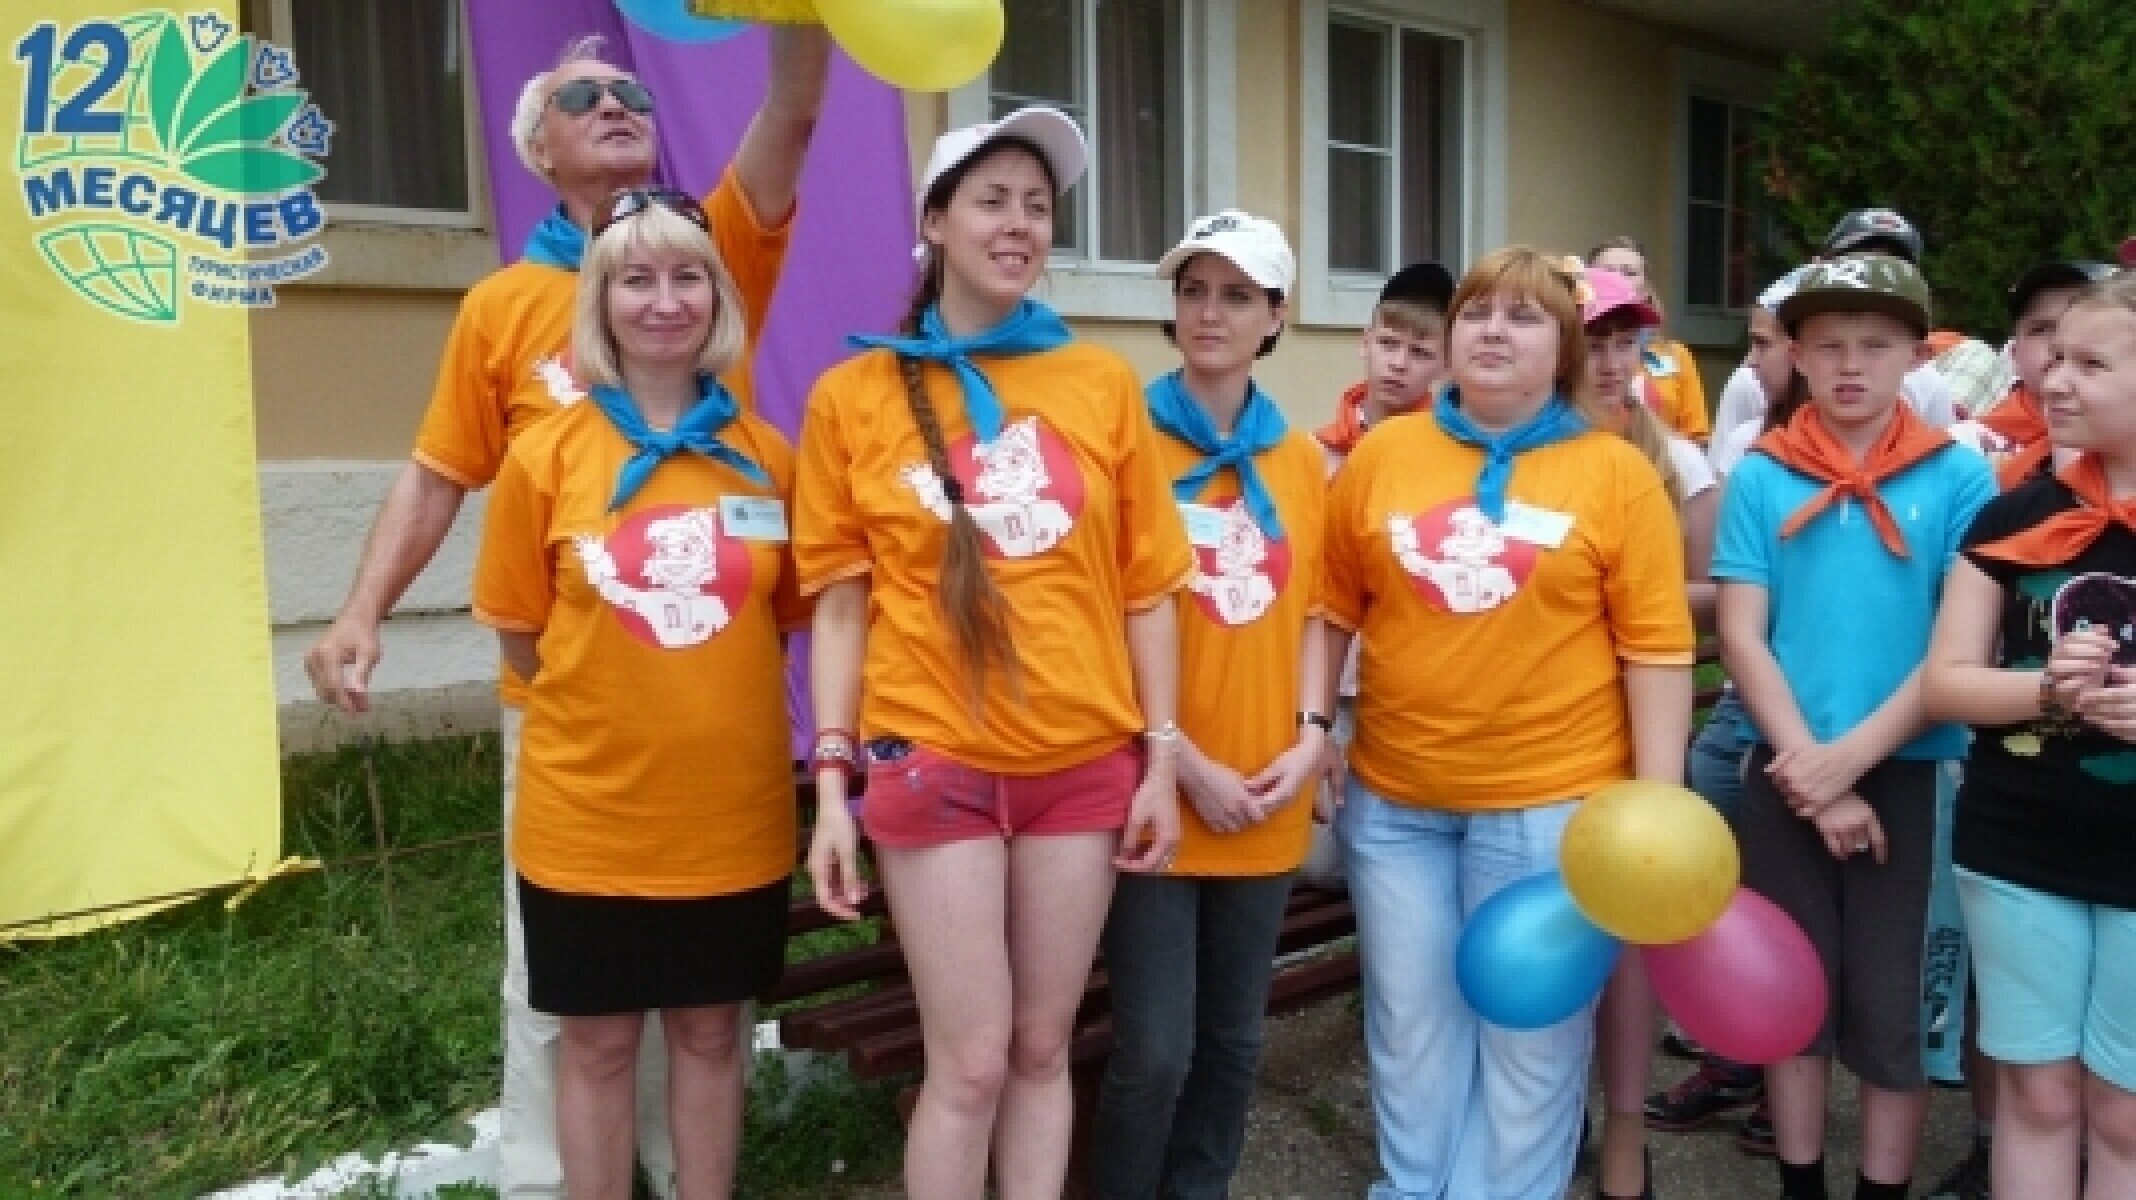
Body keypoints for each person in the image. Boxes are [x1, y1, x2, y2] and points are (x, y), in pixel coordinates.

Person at [299, 32, 828, 1197]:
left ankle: (679, 1171)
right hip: (569, 710)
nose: (615, 101)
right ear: (537, 152)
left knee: (702, 1015)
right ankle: (554, 1182)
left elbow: (792, 116)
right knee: (570, 1005)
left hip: (710, 728)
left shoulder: (701, 239)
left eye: (630, 88)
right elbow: (440, 474)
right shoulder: (501, 305)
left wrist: (811, 17)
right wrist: (359, 612)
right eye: (580, 95)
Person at [792, 106, 1192, 1200]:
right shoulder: (852, 396)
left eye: (1038, 206)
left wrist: (1159, 762)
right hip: (933, 761)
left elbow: (1149, 589)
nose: (1019, 224)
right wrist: (832, 790)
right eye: (991, 201)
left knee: (1041, 1049)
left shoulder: (1099, 383)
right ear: (934, 222)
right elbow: (839, 610)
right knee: (967, 1065)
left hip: (1082, 766)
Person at [1320, 246, 1695, 1200]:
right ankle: (1413, 1189)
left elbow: (1656, 649)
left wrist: (1655, 809)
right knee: (1410, 1029)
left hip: (1549, 810)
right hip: (1396, 807)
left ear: (1563, 347)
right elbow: (1331, 608)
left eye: (1523, 317)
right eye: (1478, 312)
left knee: (1531, 1043)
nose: (1493, 330)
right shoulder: (1384, 455)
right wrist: (1313, 728)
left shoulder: (1616, 475)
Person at [472, 187, 807, 1200]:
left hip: (731, 819)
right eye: (637, 279)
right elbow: (521, 634)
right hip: (589, 821)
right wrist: (618, 707)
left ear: (718, 297)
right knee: (600, 1045)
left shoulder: (766, 459)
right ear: (600, 302)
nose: (664, 301)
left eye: (687, 276)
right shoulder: (544, 457)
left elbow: (785, 620)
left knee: (710, 1034)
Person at [1712, 254, 1997, 1200]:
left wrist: (1848, 764)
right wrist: (1810, 769)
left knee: (1893, 1009)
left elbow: (1956, 647)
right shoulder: (1763, 474)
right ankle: (1800, 1186)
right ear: (1794, 354)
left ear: (1916, 354)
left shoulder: (1959, 478)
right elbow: (1744, 635)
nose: (1849, 365)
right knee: (1791, 996)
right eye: (1827, 345)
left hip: (1912, 770)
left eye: (1875, 346)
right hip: (1785, 766)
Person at [1084, 210, 1331, 1199]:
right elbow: (1099, 620)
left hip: (1264, 793)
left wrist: (1310, 740)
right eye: (1194, 291)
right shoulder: (1121, 438)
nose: (1211, 313)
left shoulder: (1302, 461)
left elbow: (1316, 613)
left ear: (1276, 316)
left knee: (1233, 1041)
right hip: (1157, 792)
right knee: (1154, 1051)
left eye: (1237, 295)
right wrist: (1182, 762)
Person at [1922, 271, 2136, 1200]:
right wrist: (2048, 690)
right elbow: (1945, 682)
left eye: (2091, 364)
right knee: (2039, 1095)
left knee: (2125, 1111)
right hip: (2018, 845)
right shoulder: (2015, 516)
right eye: (2055, 356)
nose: (2055, 379)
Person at [1577, 260, 1720, 1200]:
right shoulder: (1519, 452)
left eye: (1624, 343)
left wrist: (1630, 598)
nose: (1609, 362)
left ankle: (1625, 1129)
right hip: (1539, 738)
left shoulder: (1679, 461)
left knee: (1628, 945)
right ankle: (1555, 1124)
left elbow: (1715, 600)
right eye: (1592, 342)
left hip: (1637, 732)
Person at [1307, 259, 1454, 886]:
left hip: (1410, 689)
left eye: (1420, 352)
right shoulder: (1313, 456)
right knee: (1319, 860)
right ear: (1364, 343)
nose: (1399, 364)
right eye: (1389, 344)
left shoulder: (1454, 461)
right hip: (1329, 684)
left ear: (1445, 364)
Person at [1958, 260, 2119, 489]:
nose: (2060, 342)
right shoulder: (1963, 449)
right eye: (2042, 329)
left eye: (2090, 326)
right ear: (2014, 355)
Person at [1588, 236, 1711, 445]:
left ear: (1646, 290)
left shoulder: (1675, 355)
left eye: (1629, 273)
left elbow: (1697, 435)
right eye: (1607, 272)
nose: (1618, 279)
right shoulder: (1569, 350)